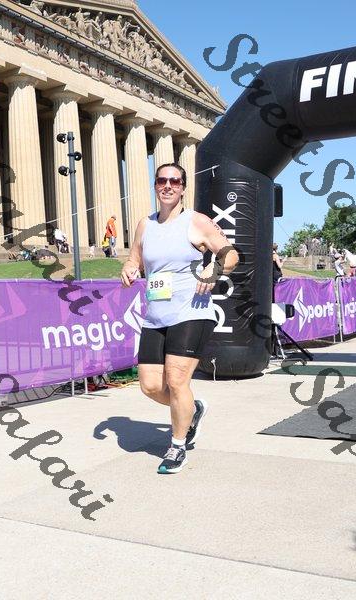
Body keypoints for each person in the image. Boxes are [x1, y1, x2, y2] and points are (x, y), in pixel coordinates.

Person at [121, 163, 239, 474]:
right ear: (155, 185)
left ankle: (177, 445)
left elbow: (231, 254)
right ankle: (192, 409)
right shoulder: (145, 225)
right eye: (162, 180)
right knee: (150, 386)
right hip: (156, 315)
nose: (168, 186)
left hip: (191, 311)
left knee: (176, 381)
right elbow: (134, 258)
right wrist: (129, 269)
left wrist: (214, 268)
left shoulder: (196, 221)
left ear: (183, 188)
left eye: (175, 181)